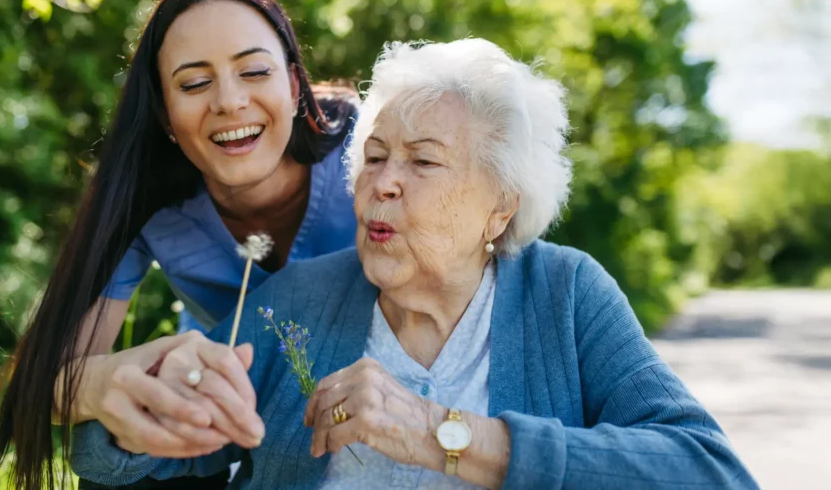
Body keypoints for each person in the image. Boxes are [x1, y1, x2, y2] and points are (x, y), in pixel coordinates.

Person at [68, 38, 759, 489]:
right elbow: (113, 457)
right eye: (373, 157)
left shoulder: (565, 293)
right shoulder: (299, 299)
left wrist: (445, 436)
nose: (384, 181)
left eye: (423, 161)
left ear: (500, 207)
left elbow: (709, 472)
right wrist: (142, 399)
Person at [0, 0, 360, 490]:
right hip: (231, 415)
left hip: (378, 404)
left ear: (294, 86)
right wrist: (110, 382)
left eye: (253, 70)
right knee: (110, 448)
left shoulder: (373, 149)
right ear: (163, 113)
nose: (229, 101)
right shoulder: (143, 198)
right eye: (193, 83)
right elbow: (31, 380)